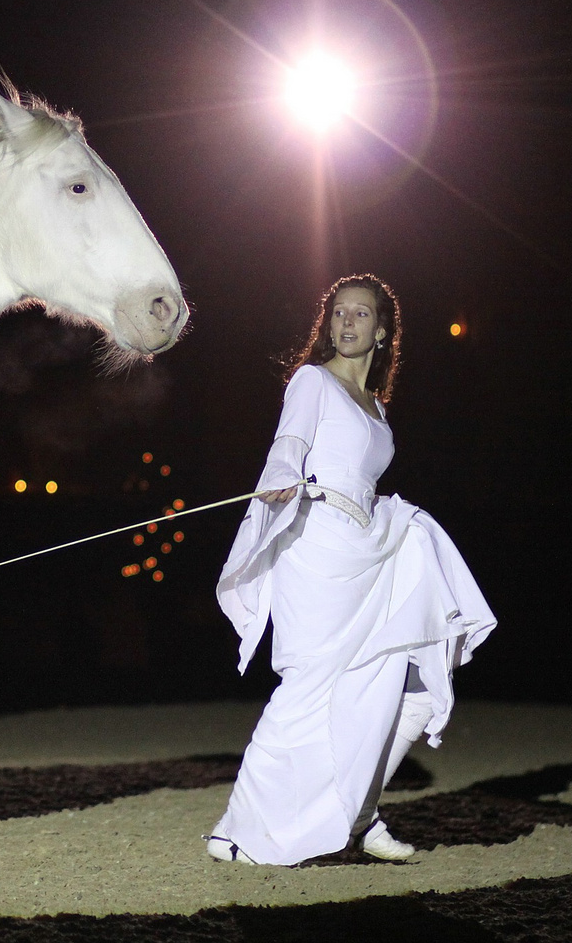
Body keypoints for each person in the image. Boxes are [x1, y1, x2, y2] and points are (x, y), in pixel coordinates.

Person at [205, 274, 496, 866]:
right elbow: (289, 442)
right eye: (338, 313)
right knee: (308, 684)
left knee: (405, 684)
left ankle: (360, 815)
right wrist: (280, 479)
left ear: (382, 331)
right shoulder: (312, 380)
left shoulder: (378, 408)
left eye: (360, 315)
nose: (346, 323)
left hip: (369, 548)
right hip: (315, 544)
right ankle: (235, 830)